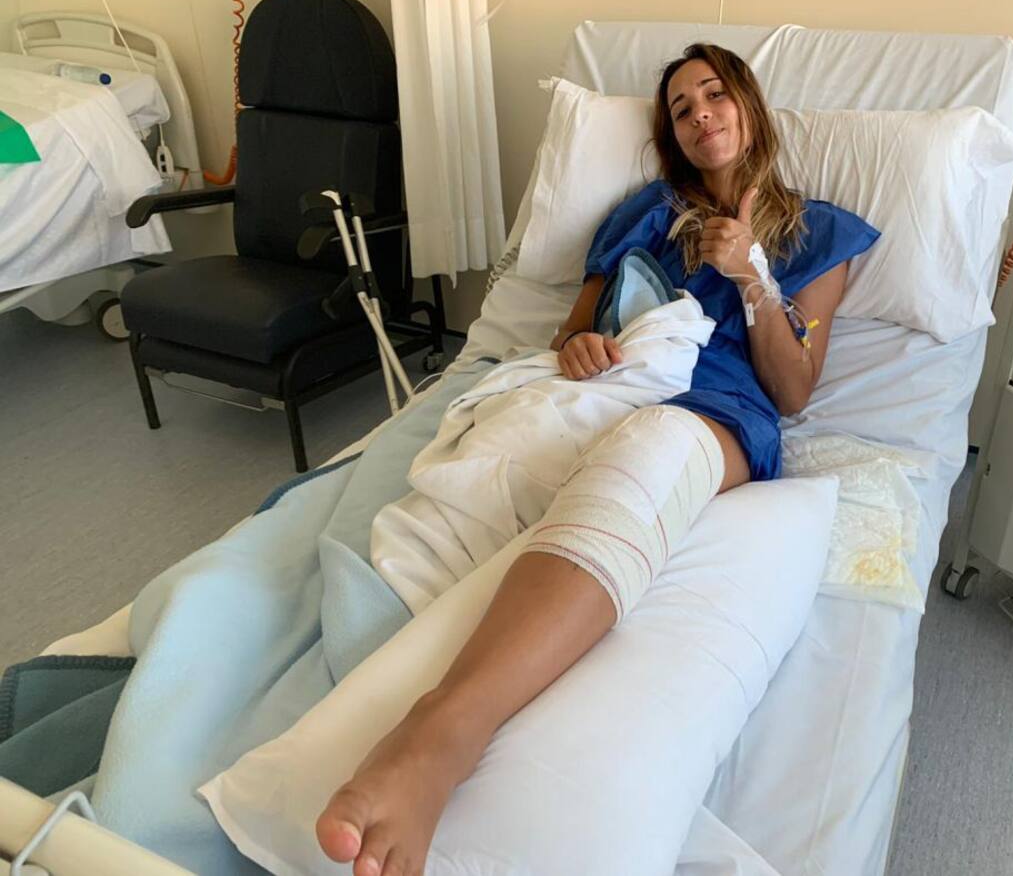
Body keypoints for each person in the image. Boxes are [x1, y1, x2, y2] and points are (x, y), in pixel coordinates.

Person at [315, 42, 879, 876]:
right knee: (497, 464)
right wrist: (578, 346)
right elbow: (575, 328)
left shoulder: (819, 231)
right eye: (681, 110)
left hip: (717, 409)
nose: (700, 116)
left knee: (653, 449)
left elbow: (793, 390)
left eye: (714, 95)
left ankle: (443, 735)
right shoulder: (649, 213)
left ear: (749, 105)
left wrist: (753, 276)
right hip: (618, 382)